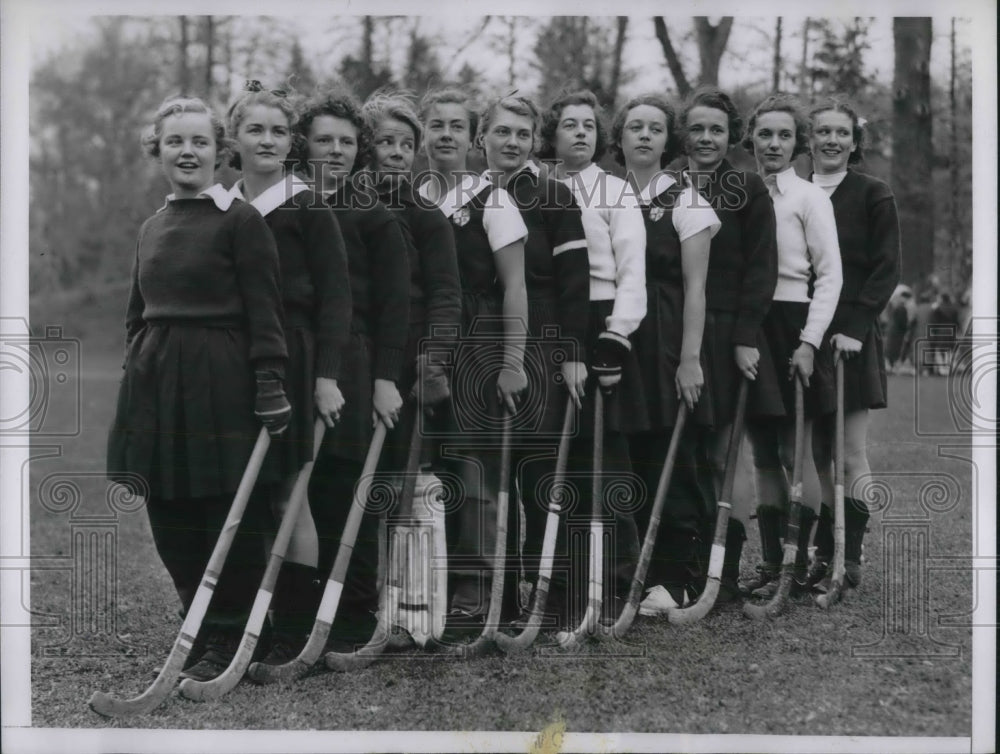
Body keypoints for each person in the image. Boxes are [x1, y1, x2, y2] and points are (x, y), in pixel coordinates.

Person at [107, 95, 290, 680]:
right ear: (157, 150)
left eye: (200, 142)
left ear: (220, 151)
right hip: (156, 379)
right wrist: (135, 372)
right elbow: (138, 312)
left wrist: (268, 381)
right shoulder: (153, 225)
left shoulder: (241, 221)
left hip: (221, 376)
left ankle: (234, 635)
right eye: (175, 141)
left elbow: (267, 312)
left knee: (224, 508)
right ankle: (199, 622)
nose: (187, 151)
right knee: (167, 506)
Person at [225, 82, 353, 664]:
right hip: (235, 359)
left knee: (288, 493)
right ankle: (246, 620)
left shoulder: (307, 205)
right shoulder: (222, 205)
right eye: (256, 129)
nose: (268, 140)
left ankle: (297, 627)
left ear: (291, 141)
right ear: (235, 138)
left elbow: (336, 300)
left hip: (297, 358)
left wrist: (327, 375)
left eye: (279, 131)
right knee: (243, 492)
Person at [296, 86, 411, 648]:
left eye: (346, 142)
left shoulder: (373, 214)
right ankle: (297, 615)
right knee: (296, 492)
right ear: (304, 146)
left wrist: (386, 378)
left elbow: (396, 305)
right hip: (297, 360)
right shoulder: (284, 206)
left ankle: (354, 616)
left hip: (357, 364)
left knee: (347, 491)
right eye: (324, 141)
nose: (335, 152)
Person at [416, 87, 529, 635]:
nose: (445, 135)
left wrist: (513, 361)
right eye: (435, 125)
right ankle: (420, 587)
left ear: (472, 137)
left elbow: (515, 287)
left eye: (456, 126)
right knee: (423, 469)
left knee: (473, 466)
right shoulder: (409, 198)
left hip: (478, 339)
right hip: (422, 341)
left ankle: (477, 590)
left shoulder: (494, 200)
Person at [475, 93, 591, 627]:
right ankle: (499, 596)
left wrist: (570, 354)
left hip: (541, 340)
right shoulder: (465, 195)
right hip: (479, 339)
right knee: (490, 469)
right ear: (483, 137)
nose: (512, 143)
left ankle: (557, 595)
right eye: (502, 132)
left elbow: (575, 284)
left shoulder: (554, 195)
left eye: (522, 135)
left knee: (539, 473)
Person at [539, 89, 647, 624]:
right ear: (551, 135)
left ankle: (619, 579)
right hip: (552, 319)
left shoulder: (614, 190)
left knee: (607, 457)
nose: (580, 132)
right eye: (568, 124)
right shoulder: (535, 187)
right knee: (557, 456)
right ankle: (562, 580)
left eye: (588, 125)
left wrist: (615, 336)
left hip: (603, 320)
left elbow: (633, 272)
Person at [614, 94, 721, 613]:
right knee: (623, 455)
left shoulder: (685, 200)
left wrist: (689, 358)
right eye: (634, 126)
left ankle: (674, 577)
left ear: (668, 140)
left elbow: (696, 288)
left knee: (669, 455)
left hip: (664, 337)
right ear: (619, 137)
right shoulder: (603, 195)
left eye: (655, 128)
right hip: (616, 336)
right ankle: (625, 571)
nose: (644, 136)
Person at [673, 88, 779, 603]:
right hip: (671, 331)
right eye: (697, 128)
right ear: (684, 134)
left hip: (725, 332)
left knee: (724, 455)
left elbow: (762, 269)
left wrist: (743, 337)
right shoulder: (663, 186)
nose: (707, 138)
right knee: (680, 452)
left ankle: (726, 573)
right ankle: (686, 565)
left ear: (731, 135)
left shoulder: (748, 188)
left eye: (717, 129)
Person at [739, 94, 842, 599]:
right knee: (760, 452)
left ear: (797, 143)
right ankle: (773, 561)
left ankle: (803, 560)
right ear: (751, 139)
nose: (773, 144)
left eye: (784, 135)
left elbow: (829, 277)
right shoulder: (739, 190)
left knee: (792, 450)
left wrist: (808, 341)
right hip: (749, 322)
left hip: (793, 324)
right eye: (765, 134)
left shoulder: (808, 197)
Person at [806, 98, 900, 593]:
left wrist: (858, 327)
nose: (832, 141)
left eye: (842, 133)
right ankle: (826, 551)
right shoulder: (795, 191)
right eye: (823, 131)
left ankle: (853, 553)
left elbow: (888, 268)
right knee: (818, 453)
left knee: (850, 452)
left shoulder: (872, 193)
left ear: (854, 141)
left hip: (851, 336)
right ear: (810, 138)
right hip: (808, 334)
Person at [360, 90, 462, 463]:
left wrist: (433, 362)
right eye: (387, 142)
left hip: (407, 357)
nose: (398, 152)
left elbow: (446, 294)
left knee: (395, 469)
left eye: (407, 144)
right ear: (365, 147)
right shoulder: (344, 206)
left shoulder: (426, 215)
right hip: (356, 353)